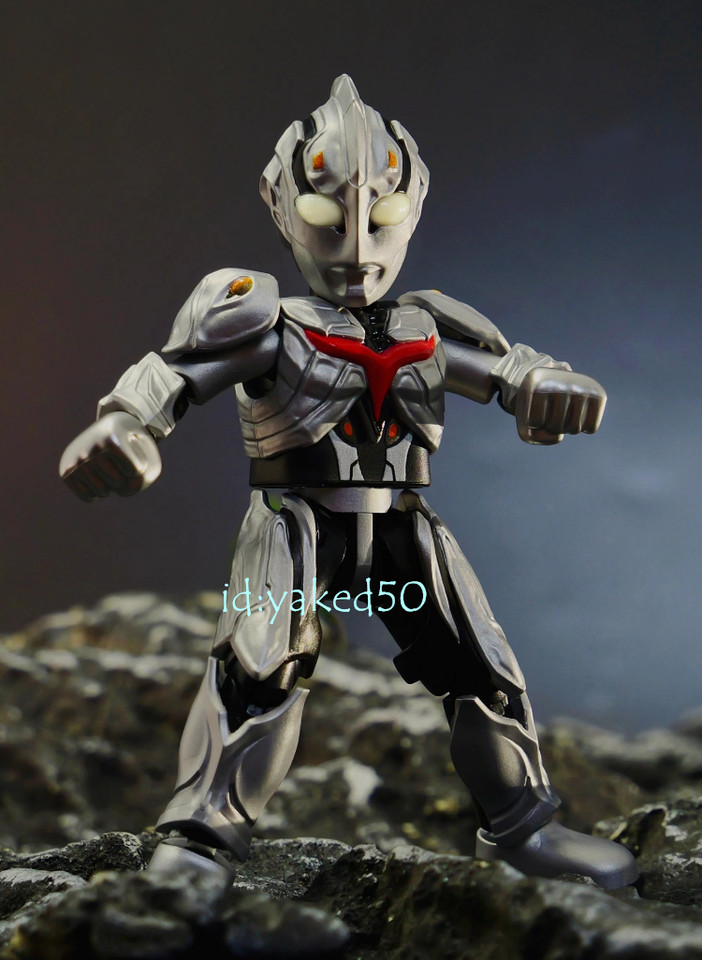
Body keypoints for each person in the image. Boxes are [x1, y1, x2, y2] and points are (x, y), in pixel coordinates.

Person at [60, 75, 637, 889]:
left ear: (414, 206)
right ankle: (198, 843)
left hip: (401, 532)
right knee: (257, 669)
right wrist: (124, 425)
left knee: (481, 665)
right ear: (282, 206)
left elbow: (510, 373)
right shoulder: (261, 317)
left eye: (382, 218)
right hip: (295, 528)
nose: (359, 249)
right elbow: (175, 374)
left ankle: (524, 829)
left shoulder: (427, 324)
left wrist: (546, 385)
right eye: (329, 219)